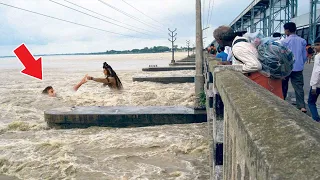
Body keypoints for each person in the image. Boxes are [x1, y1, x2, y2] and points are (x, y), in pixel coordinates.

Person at [213, 26, 283, 99]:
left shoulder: (238, 47)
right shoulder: (242, 40)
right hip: (269, 78)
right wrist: (231, 63)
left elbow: (255, 65)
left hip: (262, 81)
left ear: (220, 39)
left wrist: (232, 67)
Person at [281, 22, 308, 113]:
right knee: (299, 87)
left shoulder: (284, 41)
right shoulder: (302, 41)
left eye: (285, 30)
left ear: (287, 30)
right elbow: (304, 56)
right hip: (298, 68)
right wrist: (301, 63)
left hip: (287, 68)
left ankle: (281, 102)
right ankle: (302, 106)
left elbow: (283, 56)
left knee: (284, 86)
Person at [308, 37, 320, 122]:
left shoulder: (318, 56)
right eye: (315, 45)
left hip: (317, 85)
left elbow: (316, 72)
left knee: (311, 102)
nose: (315, 47)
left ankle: (316, 120)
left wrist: (313, 86)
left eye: (318, 45)